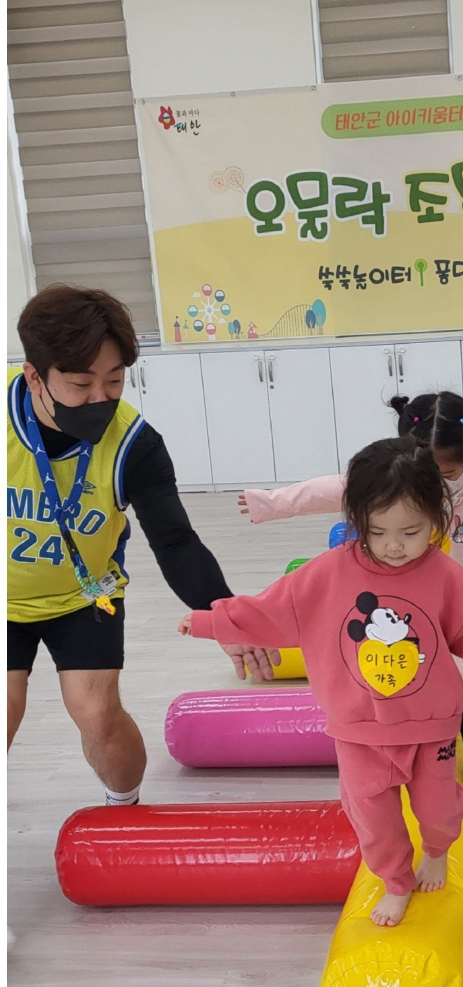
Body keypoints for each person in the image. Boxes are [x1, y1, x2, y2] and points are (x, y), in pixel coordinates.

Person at [184, 438, 463, 927]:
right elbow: (271, 610)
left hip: (431, 725)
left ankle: (436, 852)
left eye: (411, 531)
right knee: (373, 817)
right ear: (356, 519)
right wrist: (210, 621)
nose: (394, 546)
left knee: (439, 810)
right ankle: (396, 882)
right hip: (359, 728)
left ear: (439, 518)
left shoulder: (444, 575)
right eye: (377, 531)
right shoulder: (326, 574)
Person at [238, 390, 463, 805]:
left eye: (446, 473)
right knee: (400, 687)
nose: (434, 483)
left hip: (460, 617)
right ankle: (397, 763)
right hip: (398, 615)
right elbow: (326, 491)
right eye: (427, 470)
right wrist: (270, 503)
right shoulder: (388, 484)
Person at [7, 285, 277, 808]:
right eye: (81, 384)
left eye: (114, 380)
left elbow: (175, 540)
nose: (101, 399)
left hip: (86, 595)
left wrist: (223, 615)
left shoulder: (136, 445)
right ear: (35, 376)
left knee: (97, 714)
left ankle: (123, 809)